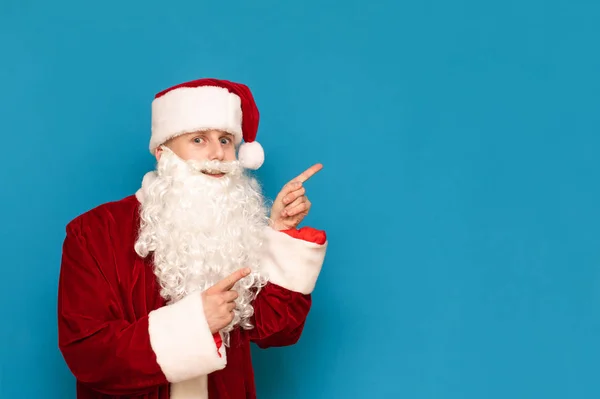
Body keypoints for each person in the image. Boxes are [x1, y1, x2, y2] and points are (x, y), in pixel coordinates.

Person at [57, 78, 328, 399]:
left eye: (226, 140)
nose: (217, 153)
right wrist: (195, 324)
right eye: (199, 139)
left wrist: (280, 233)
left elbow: (276, 330)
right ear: (162, 152)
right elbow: (87, 352)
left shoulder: (237, 228)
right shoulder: (93, 232)